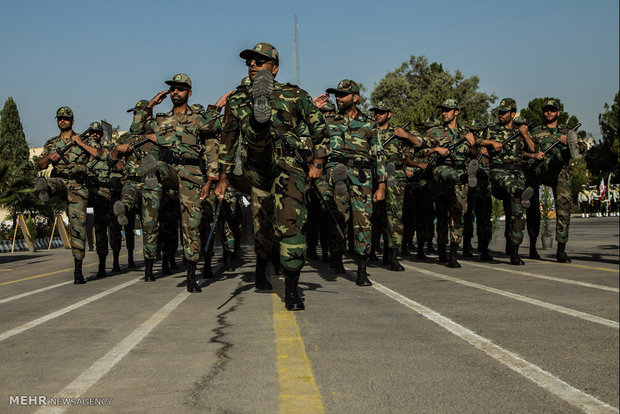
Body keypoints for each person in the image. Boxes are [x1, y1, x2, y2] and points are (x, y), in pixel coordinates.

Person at [215, 42, 329, 311]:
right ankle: (261, 266)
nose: (252, 65)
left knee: (290, 224)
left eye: (260, 61)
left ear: (274, 68)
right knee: (262, 227)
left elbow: (320, 128)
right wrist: (222, 177)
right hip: (257, 166)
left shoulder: (295, 94)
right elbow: (227, 140)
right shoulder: (237, 98)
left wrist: (319, 163)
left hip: (289, 164)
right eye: (250, 62)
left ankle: (291, 289)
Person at [131, 74, 223, 291]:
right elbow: (136, 130)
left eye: (180, 89)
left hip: (192, 173)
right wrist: (151, 104)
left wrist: (211, 178)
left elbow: (211, 147)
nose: (175, 92)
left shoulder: (199, 118)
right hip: (169, 168)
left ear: (189, 93)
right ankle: (153, 173)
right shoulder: (161, 119)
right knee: (156, 165)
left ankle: (191, 276)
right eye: (173, 89)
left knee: (191, 224)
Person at [319, 79, 386, 285]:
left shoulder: (369, 124)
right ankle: (337, 256)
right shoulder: (328, 122)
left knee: (363, 220)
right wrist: (314, 109)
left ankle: (362, 270)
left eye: (343, 95)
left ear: (355, 98)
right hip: (336, 173)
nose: (338, 98)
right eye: (336, 95)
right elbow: (309, 134)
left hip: (361, 176)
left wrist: (381, 184)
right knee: (339, 218)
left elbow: (379, 154)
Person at [35, 107, 107, 284]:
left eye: (66, 119)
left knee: (78, 227)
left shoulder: (84, 139)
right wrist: (50, 158)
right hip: (60, 180)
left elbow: (102, 155)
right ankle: (46, 191)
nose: (62, 121)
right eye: (59, 118)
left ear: (72, 121)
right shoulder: (51, 143)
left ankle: (78, 269)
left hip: (77, 186)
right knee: (51, 183)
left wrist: (81, 144)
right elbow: (40, 165)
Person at [477, 99, 535, 265]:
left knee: (518, 212)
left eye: (504, 112)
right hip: (498, 171)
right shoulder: (491, 129)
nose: (500, 115)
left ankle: (514, 251)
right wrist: (491, 143)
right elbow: (474, 140)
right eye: (499, 112)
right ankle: (519, 192)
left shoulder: (519, 131)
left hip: (517, 172)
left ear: (513, 113)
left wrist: (524, 134)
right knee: (511, 187)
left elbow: (532, 149)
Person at [423, 99, 478, 268]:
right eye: (443, 110)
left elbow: (474, 156)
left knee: (458, 214)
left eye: (448, 110)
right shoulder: (434, 132)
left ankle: (453, 254)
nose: (444, 113)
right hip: (442, 173)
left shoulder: (466, 133)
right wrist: (435, 149)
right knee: (441, 215)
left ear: (456, 112)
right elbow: (421, 151)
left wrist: (473, 144)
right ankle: (441, 250)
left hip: (462, 174)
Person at [369, 102, 422, 271]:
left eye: (381, 112)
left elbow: (419, 143)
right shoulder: (370, 131)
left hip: (395, 178)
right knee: (374, 216)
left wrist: (405, 135)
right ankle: (371, 251)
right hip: (374, 176)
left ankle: (392, 256)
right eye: (376, 112)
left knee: (394, 218)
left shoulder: (398, 132)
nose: (378, 115)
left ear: (389, 114)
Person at [529, 99, 580, 262]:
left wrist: (569, 143)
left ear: (558, 112)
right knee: (533, 209)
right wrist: (534, 155)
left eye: (552, 110)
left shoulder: (567, 131)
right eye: (546, 110)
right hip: (541, 171)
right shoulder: (536, 132)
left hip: (561, 173)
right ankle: (532, 247)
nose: (549, 112)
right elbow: (527, 150)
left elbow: (581, 148)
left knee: (563, 210)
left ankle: (561, 250)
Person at [85, 121, 123, 277]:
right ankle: (100, 264)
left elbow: (119, 167)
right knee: (97, 229)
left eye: (98, 132)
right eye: (92, 132)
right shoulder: (83, 151)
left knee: (111, 229)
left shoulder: (109, 150)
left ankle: (113, 261)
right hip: (90, 193)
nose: (95, 135)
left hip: (107, 193)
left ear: (101, 135)